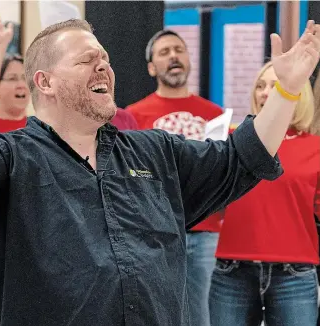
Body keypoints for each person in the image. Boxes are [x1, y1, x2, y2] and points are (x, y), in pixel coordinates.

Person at [0, 2, 320, 325]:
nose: (104, 66)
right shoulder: (6, 159)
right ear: (46, 82)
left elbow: (241, 158)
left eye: (105, 59)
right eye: (87, 60)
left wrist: (286, 91)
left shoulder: (156, 152)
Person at [209, 61, 320, 326]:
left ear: (297, 92)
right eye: (260, 86)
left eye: (275, 85)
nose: (265, 92)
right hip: (232, 270)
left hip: (294, 274)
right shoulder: (232, 139)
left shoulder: (315, 146)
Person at [126, 30, 224, 326]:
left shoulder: (214, 114)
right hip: (152, 230)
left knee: (201, 317)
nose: (174, 56)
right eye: (165, 52)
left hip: (205, 232)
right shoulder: (133, 116)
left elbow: (222, 173)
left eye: (179, 50)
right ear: (152, 67)